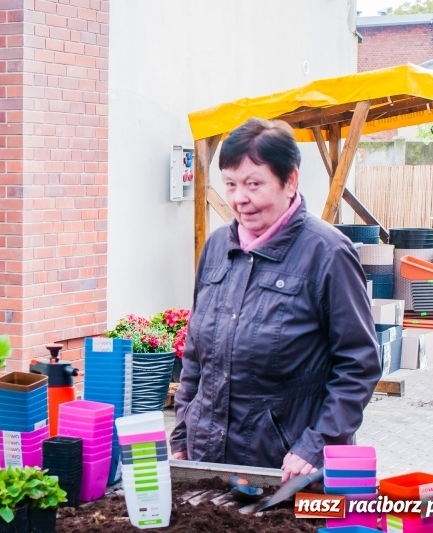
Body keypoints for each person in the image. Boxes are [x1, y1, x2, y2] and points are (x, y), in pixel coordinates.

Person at [169, 118, 381, 482]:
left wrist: (317, 444)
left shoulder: (327, 253)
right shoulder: (217, 247)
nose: (240, 198)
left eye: (254, 184)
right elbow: (195, 355)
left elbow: (359, 364)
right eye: (231, 184)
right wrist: (183, 429)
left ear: (290, 180)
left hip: (284, 468)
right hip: (208, 458)